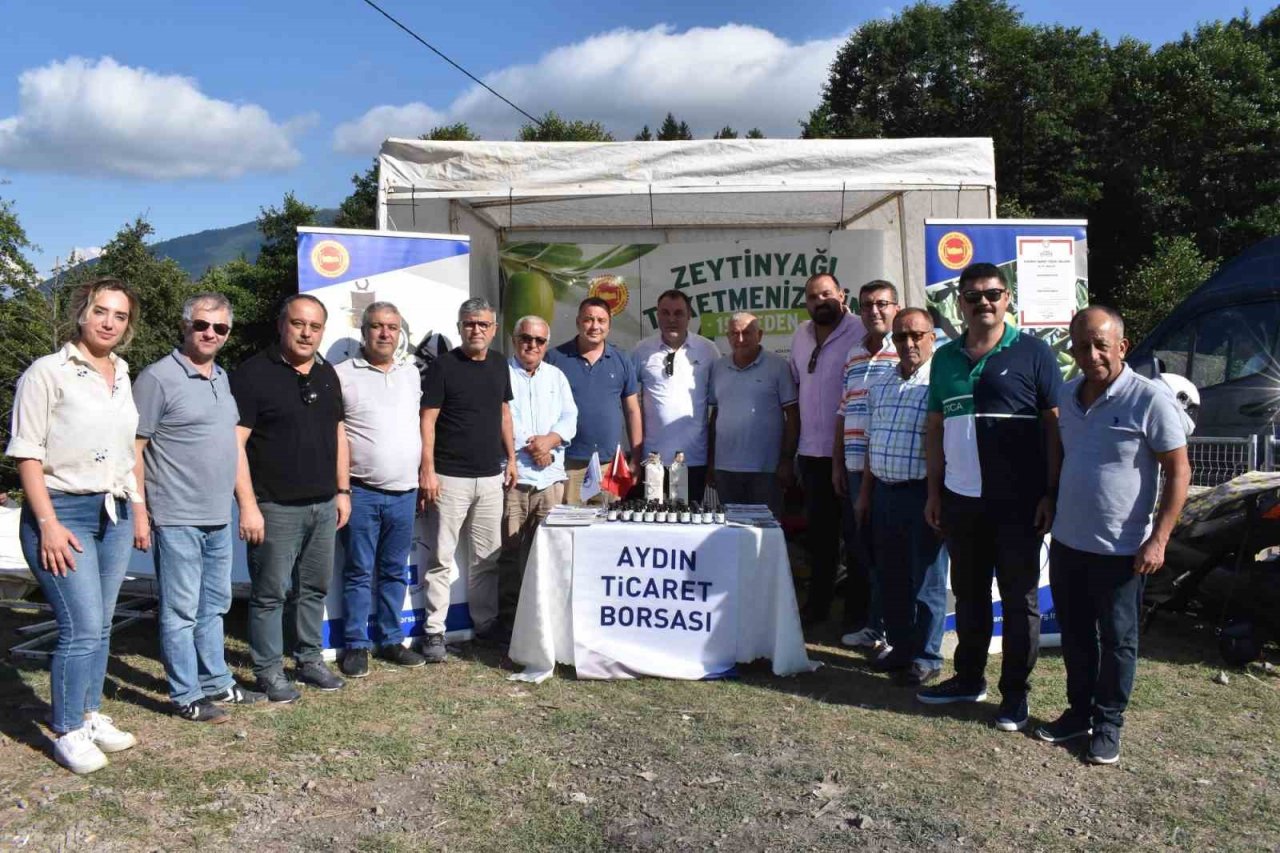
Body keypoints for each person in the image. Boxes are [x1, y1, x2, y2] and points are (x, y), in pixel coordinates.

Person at [1036, 306, 1190, 765]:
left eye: (1101, 344)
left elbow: (1179, 471)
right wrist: (1049, 496)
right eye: (1082, 345)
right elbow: (1063, 459)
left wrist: (1158, 539)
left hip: (1123, 550)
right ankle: (1078, 712)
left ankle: (1108, 723)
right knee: (1077, 635)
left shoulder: (1148, 399)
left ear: (1122, 346)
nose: (1092, 354)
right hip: (1068, 542)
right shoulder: (1068, 394)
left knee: (1119, 640)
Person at [8, 278, 145, 773]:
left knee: (102, 625)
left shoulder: (123, 373)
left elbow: (130, 450)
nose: (109, 322)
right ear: (81, 314)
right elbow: (26, 453)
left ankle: (88, 714)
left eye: (120, 316)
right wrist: (46, 523)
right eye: (101, 312)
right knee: (81, 626)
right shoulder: (47, 373)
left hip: (113, 511)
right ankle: (66, 728)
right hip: (62, 511)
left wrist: (138, 507)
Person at [918, 262, 1062, 734]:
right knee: (972, 595)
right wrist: (935, 491)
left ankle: (1015, 696)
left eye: (993, 294)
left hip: (1019, 503)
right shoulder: (944, 358)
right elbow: (936, 428)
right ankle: (968, 678)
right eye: (974, 295)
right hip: (962, 499)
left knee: (1019, 601)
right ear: (959, 302)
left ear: (1008, 299)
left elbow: (1054, 427)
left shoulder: (1033, 352)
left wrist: (1050, 492)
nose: (983, 302)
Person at [133, 293, 265, 724]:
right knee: (180, 610)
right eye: (202, 325)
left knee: (215, 604)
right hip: (176, 516)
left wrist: (245, 503)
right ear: (185, 326)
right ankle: (185, 694)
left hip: (217, 515)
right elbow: (135, 448)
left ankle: (217, 682)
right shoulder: (157, 378)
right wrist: (140, 511)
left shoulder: (220, 377)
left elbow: (231, 446)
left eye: (220, 328)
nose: (210, 334)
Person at [232, 294, 351, 702]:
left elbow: (338, 434)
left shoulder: (327, 373)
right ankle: (267, 670)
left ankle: (309, 658)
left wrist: (343, 490)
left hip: (323, 504)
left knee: (313, 588)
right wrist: (248, 504)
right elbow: (236, 445)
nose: (306, 333)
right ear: (281, 324)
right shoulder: (252, 374)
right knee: (270, 593)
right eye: (298, 323)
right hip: (274, 506)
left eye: (315, 326)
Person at [334, 302, 428, 678]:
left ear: (400, 332)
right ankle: (356, 645)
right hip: (361, 491)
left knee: (393, 570)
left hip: (405, 491)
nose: (384, 333)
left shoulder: (411, 374)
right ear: (364, 331)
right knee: (358, 571)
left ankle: (391, 639)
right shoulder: (341, 374)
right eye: (376, 326)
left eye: (391, 327)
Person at [419, 297, 516, 657]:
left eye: (483, 324)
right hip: (449, 477)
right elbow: (427, 419)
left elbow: (504, 413)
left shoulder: (499, 364)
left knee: (487, 559)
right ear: (460, 327)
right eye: (469, 323)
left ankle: (486, 625)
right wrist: (427, 469)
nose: (476, 329)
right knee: (441, 558)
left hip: (491, 477)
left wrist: (511, 458)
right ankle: (434, 632)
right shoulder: (444, 366)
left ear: (492, 329)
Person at [855, 309, 947, 687]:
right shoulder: (880, 385)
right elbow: (870, 444)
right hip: (884, 495)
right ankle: (903, 649)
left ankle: (927, 656)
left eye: (916, 335)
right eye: (901, 337)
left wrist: (936, 496)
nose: (908, 343)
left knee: (926, 580)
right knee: (890, 578)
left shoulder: (940, 386)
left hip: (921, 495)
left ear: (932, 337)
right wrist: (865, 496)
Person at [788, 272, 866, 627]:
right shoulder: (800, 336)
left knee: (856, 537)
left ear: (842, 294)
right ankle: (817, 608)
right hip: (811, 452)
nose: (820, 302)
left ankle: (857, 615)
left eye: (826, 294)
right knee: (820, 538)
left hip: (851, 453)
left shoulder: (860, 330)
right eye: (813, 297)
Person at [833, 280, 901, 652]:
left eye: (881, 304)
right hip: (855, 467)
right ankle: (875, 627)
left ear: (896, 306)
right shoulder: (854, 353)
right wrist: (838, 464)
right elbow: (843, 409)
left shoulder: (908, 349)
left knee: (889, 551)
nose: (874, 311)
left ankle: (891, 631)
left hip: (889, 470)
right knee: (866, 551)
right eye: (866, 305)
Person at [500, 315, 577, 627]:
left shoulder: (556, 376)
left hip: (549, 481)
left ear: (547, 344)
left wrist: (551, 441)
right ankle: (508, 622)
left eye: (539, 340)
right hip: (513, 477)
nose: (532, 345)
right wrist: (535, 448)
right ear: (515, 339)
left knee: (545, 553)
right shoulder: (500, 372)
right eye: (526, 338)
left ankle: (543, 621)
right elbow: (500, 417)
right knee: (508, 553)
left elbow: (570, 416)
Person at [545, 297, 642, 505]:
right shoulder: (555, 359)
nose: (595, 326)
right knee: (570, 531)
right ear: (578, 322)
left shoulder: (621, 360)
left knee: (607, 531)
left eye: (601, 320)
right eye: (589, 320)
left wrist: (636, 457)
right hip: (568, 463)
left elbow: (633, 411)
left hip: (610, 466)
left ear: (609, 324)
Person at [706, 312, 798, 516]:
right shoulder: (719, 368)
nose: (740, 339)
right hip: (725, 470)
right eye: (734, 333)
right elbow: (716, 415)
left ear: (760, 335)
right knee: (732, 534)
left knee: (765, 534)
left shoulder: (779, 366)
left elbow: (792, 415)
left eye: (747, 333)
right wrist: (711, 461)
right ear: (727, 336)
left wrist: (787, 460)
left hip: (766, 470)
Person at [632, 290, 719, 502]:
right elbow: (630, 403)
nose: (672, 319)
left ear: (689, 315)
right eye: (665, 313)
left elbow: (718, 406)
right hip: (652, 461)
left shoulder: (708, 350)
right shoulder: (641, 351)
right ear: (658, 316)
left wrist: (712, 459)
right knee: (653, 526)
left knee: (689, 528)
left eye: (679, 313)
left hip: (694, 460)